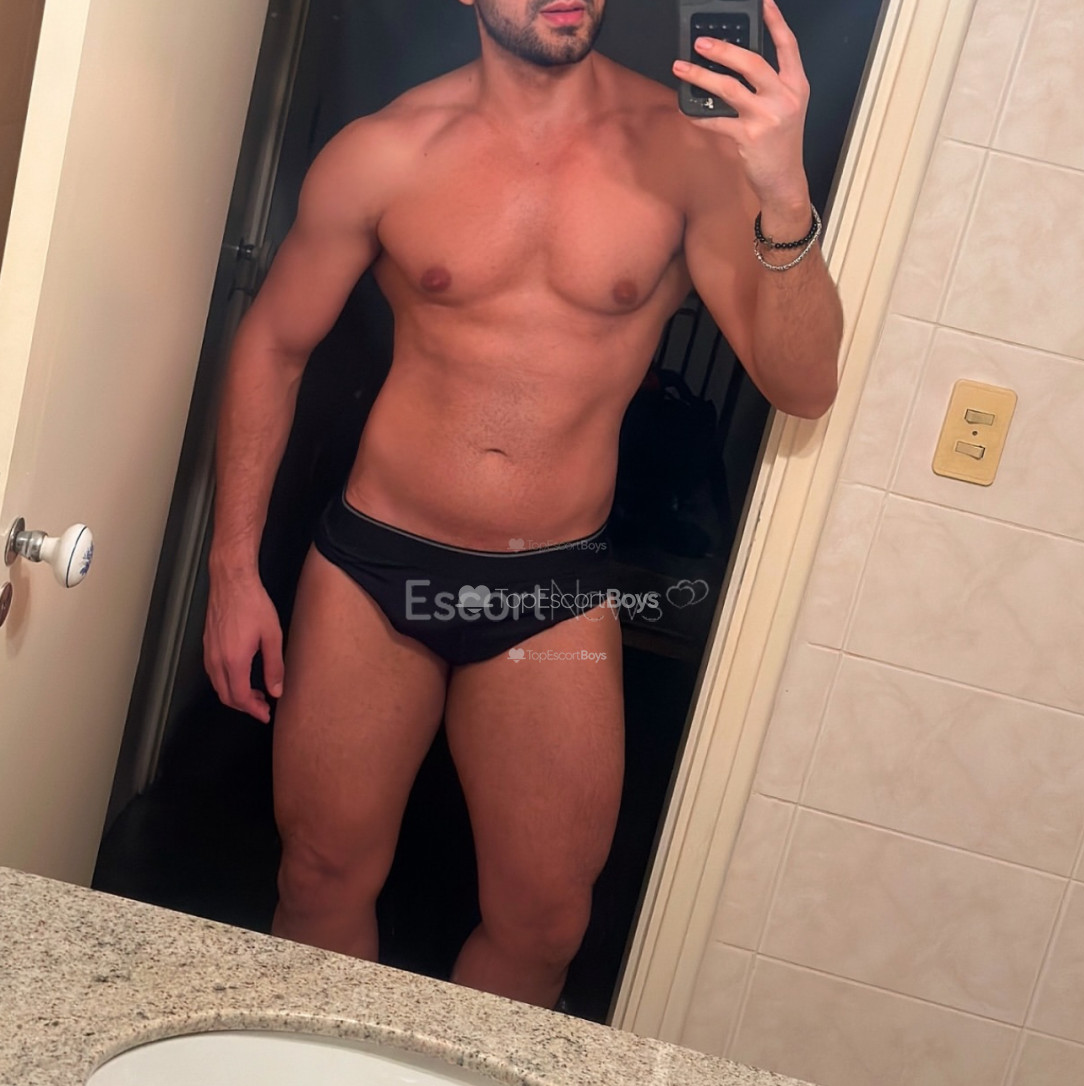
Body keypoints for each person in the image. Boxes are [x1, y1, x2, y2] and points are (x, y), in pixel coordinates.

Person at [203, 0, 843, 1009]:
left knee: (544, 923)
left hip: (550, 587)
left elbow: (801, 384)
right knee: (319, 876)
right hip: (375, 566)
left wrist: (784, 194)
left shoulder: (685, 157)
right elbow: (274, 347)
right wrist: (231, 570)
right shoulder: (385, 152)